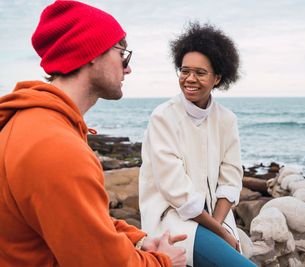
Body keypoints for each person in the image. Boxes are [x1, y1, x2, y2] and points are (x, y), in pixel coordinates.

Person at [0, 1, 186, 266]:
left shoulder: (31, 122)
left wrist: (137, 240)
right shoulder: (57, 148)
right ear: (91, 52)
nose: (128, 67)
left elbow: (80, 218)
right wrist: (163, 261)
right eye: (122, 53)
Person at [139, 22, 256, 267]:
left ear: (218, 78)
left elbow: (231, 178)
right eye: (184, 71)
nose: (189, 79)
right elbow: (176, 191)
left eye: (200, 73)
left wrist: (220, 224)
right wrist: (221, 233)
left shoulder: (226, 119)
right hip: (173, 218)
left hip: (215, 217)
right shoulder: (163, 117)